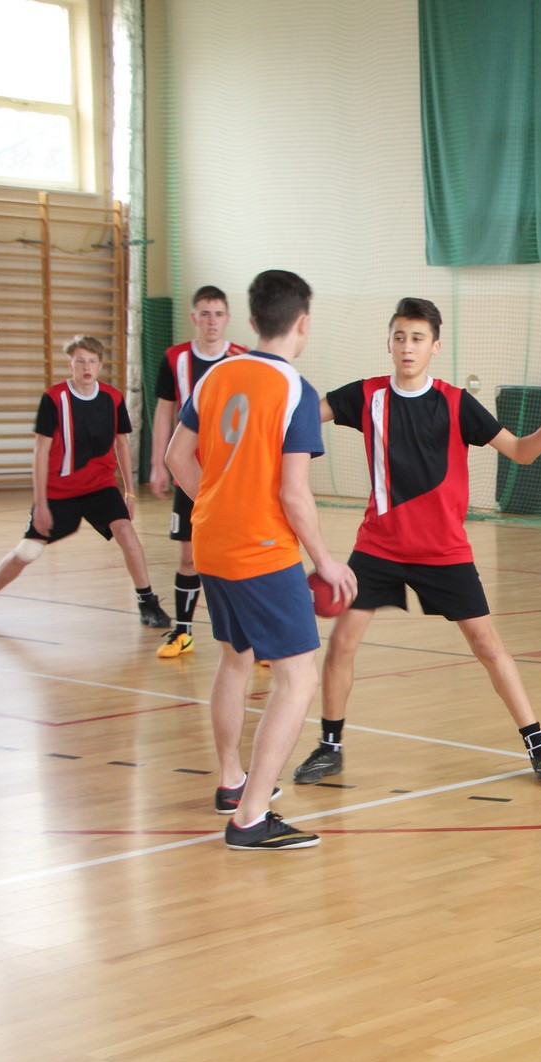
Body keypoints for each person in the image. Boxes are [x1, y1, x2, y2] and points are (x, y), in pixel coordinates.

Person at [291, 297, 541, 790]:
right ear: (389, 342)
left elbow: (520, 452)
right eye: (400, 337)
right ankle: (330, 746)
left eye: (418, 338)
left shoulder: (456, 403)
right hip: (379, 547)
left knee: (487, 645)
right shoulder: (365, 395)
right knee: (341, 642)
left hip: (443, 550)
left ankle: (540, 748)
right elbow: (302, 417)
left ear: (435, 346)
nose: (408, 347)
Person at [164, 269, 356, 851]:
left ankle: (231, 781)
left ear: (250, 321)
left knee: (236, 658)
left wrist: (215, 505)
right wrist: (325, 560)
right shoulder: (296, 390)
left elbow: (177, 458)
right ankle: (250, 816)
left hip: (211, 542)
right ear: (304, 323)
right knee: (298, 678)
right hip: (262, 550)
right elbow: (294, 495)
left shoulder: (216, 375)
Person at [0, 336, 171, 632]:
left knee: (125, 531)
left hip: (99, 486)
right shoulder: (53, 398)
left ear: (100, 365)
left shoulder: (112, 398)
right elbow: (40, 452)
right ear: (70, 364)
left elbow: (122, 443)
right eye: (80, 361)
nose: (87, 367)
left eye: (92, 361)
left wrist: (130, 493)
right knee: (28, 551)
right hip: (59, 491)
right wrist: (41, 504)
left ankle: (147, 602)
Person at [149, 285, 249, 658]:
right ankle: (183, 632)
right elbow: (164, 411)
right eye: (204, 313)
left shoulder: (242, 358)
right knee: (189, 556)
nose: (211, 321)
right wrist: (158, 462)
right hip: (189, 471)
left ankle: (253, 638)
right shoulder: (175, 358)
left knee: (239, 556)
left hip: (232, 476)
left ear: (228, 318)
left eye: (218, 314)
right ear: (193, 317)